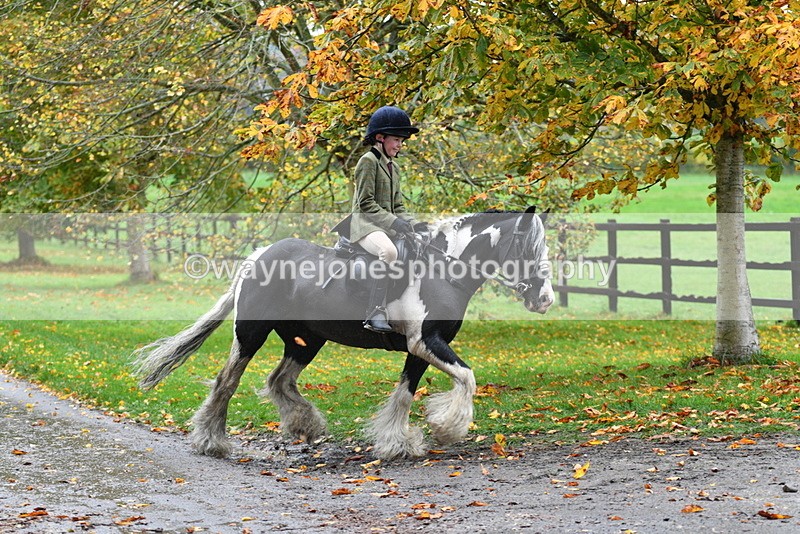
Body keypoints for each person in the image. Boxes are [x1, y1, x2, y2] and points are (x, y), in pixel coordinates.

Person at [343, 106, 426, 333]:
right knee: (389, 252)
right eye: (396, 140)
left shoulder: (394, 167)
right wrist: (393, 223)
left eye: (402, 141)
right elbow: (365, 203)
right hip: (365, 226)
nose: (400, 145)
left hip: (384, 226)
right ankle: (374, 312)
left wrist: (413, 223)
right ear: (380, 138)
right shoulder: (368, 161)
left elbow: (397, 205)